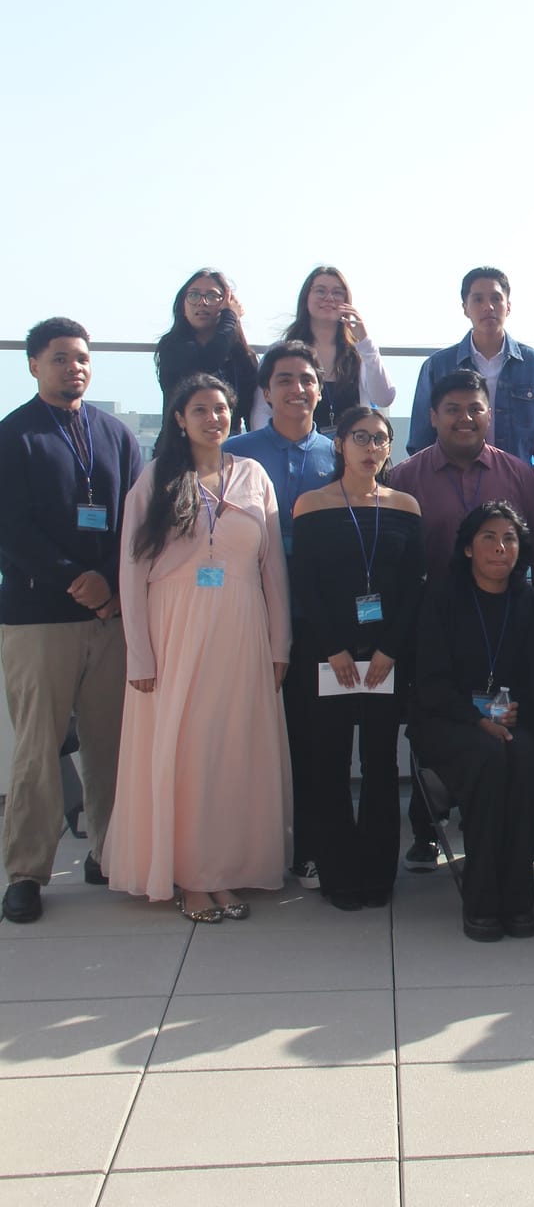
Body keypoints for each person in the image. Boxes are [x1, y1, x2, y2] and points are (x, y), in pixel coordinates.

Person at [103, 374, 291, 921]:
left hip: (241, 629)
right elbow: (131, 573)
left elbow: (272, 567)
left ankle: (224, 869)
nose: (214, 418)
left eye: (222, 409)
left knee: (231, 750)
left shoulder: (253, 476)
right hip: (174, 631)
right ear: (179, 420)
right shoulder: (155, 479)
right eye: (200, 410)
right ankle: (187, 876)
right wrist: (139, 653)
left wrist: (281, 644)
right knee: (183, 750)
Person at [0, 320, 142, 923]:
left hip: (110, 617)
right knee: (38, 749)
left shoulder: (114, 433)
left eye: (82, 358)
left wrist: (109, 579)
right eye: (60, 358)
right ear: (34, 365)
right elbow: (10, 527)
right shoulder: (15, 435)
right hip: (39, 618)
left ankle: (109, 852)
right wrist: (70, 577)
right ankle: (27, 871)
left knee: (113, 745)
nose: (73, 367)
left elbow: (139, 518)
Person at [290, 408, 424, 910]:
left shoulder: (406, 506)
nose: (371, 447)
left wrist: (390, 649)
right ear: (340, 444)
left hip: (386, 658)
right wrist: (334, 647)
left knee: (381, 763)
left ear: (390, 448)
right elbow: (304, 585)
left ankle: (377, 871)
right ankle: (338, 870)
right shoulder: (312, 504)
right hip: (329, 656)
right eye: (360, 437)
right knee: (328, 763)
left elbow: (414, 586)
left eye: (380, 439)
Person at [224, 343, 336, 889]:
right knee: (244, 735)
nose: (296, 389)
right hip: (245, 616)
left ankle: (311, 849)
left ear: (320, 389)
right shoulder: (232, 453)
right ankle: (242, 849)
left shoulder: (340, 453)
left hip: (318, 619)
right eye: (284, 380)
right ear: (265, 392)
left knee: (311, 737)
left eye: (306, 379)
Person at [408, 503, 534, 940]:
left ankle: (518, 896)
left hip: (511, 720)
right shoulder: (442, 597)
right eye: (488, 537)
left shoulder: (529, 602)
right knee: (489, 757)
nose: (500, 547)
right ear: (468, 548)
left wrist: (515, 711)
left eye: (510, 538)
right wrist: (475, 718)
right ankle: (482, 899)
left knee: (523, 755)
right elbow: (428, 680)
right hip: (445, 720)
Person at [390, 369, 534, 583]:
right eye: (453, 410)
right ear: (433, 417)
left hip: (507, 611)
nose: (465, 418)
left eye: (475, 409)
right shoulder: (402, 479)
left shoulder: (520, 475)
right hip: (430, 609)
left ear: (489, 415)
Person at [406, 266, 534, 464]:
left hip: (519, 484)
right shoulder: (438, 366)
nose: (488, 307)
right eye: (478, 299)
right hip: (453, 483)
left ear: (509, 306)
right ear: (465, 308)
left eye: (496, 298)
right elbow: (420, 441)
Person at [255, 265, 394, 431]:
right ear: (306, 297)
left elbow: (384, 398)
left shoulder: (360, 353)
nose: (329, 298)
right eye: (320, 291)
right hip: (294, 449)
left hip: (351, 453)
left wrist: (364, 341)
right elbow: (261, 411)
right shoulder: (280, 352)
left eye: (337, 292)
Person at [154, 268, 257, 436]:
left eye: (212, 296)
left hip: (230, 446)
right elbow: (208, 362)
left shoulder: (241, 355)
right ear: (182, 305)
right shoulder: (172, 346)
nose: (202, 303)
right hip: (180, 445)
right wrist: (230, 317)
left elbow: (251, 410)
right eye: (193, 295)